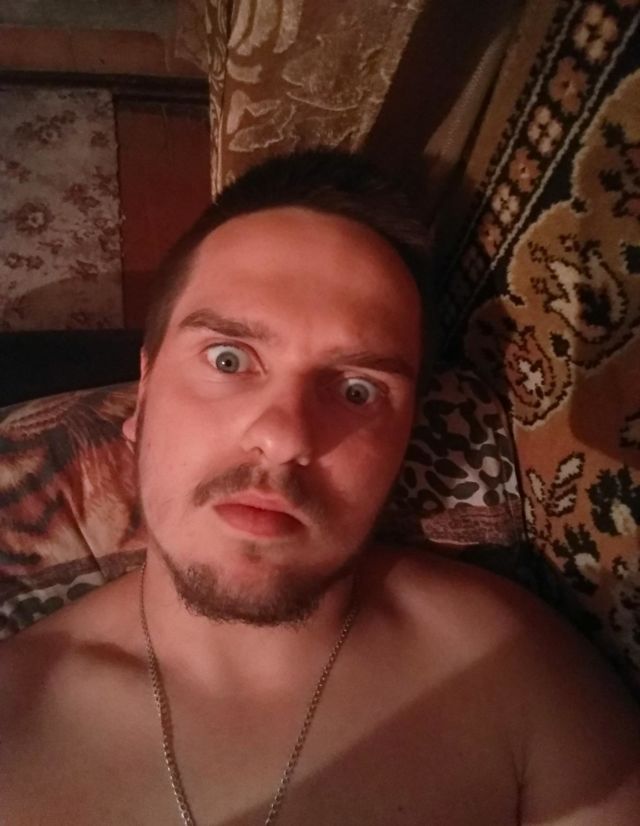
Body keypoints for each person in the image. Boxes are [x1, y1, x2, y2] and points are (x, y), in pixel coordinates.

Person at [0, 150, 638, 825]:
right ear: (145, 391)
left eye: (358, 389)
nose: (285, 437)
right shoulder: (16, 715)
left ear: (405, 439)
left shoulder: (512, 667)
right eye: (228, 359)